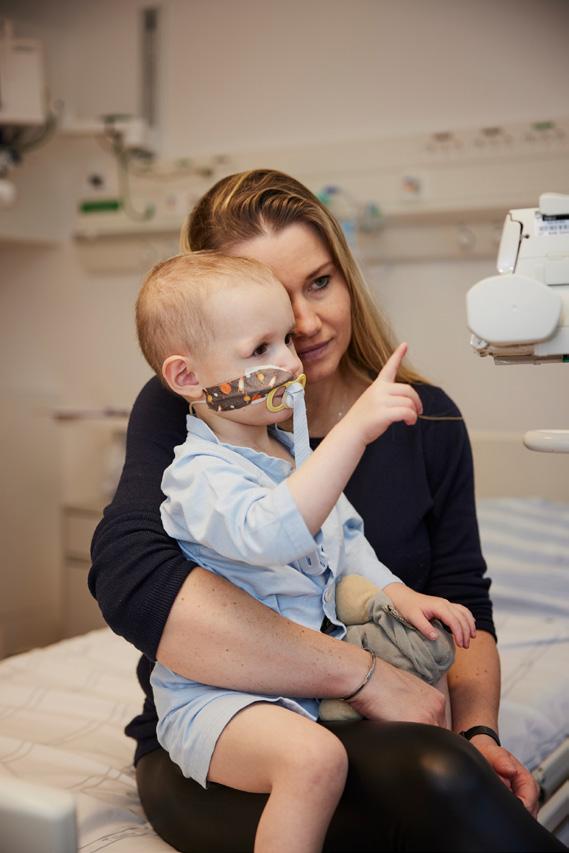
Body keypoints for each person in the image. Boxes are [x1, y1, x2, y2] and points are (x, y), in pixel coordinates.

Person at [89, 169, 566, 852]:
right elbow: (133, 578)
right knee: (435, 773)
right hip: (228, 731)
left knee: (452, 768)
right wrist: (367, 678)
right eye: (273, 305)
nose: (304, 326)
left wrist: (479, 731)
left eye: (318, 283)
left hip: (341, 720)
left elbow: (455, 591)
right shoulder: (190, 417)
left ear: (346, 276)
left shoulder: (421, 419)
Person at [134, 251, 473, 851]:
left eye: (287, 340)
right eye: (260, 349)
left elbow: (346, 541)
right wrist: (353, 432)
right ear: (187, 378)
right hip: (217, 698)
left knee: (427, 688)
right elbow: (272, 533)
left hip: (301, 684)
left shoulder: (292, 455)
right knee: (314, 760)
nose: (291, 362)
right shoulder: (198, 474)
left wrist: (400, 595)